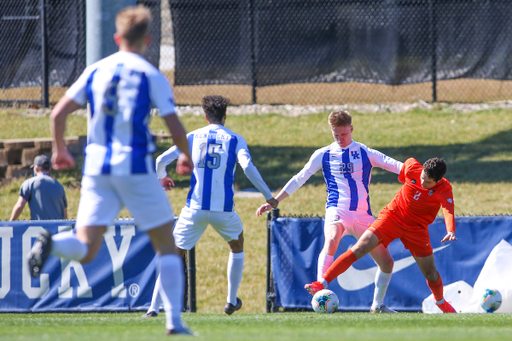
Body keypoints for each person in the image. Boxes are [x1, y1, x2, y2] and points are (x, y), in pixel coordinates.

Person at [27, 6, 194, 335]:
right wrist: (185, 156)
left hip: (97, 168)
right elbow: (173, 122)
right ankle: (174, 322)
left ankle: (52, 242)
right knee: (168, 246)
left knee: (86, 249)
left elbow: (58, 114)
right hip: (134, 166)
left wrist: (60, 149)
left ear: (117, 38)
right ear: (147, 39)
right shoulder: (149, 74)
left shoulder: (96, 70)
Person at [141, 95, 278, 317]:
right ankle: (231, 301)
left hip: (194, 209)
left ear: (205, 117)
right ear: (225, 116)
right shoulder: (235, 139)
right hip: (223, 211)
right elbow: (248, 167)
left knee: (173, 255)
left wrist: (162, 177)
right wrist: (267, 196)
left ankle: (153, 308)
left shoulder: (192, 137)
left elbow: (160, 161)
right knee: (237, 244)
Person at [256, 110, 403, 313]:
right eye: (336, 135)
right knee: (332, 239)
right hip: (337, 210)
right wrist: (275, 201)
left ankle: (377, 306)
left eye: (344, 134)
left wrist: (425, 175)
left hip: (362, 215)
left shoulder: (365, 152)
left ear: (351, 129)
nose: (340, 138)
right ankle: (319, 293)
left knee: (387, 262)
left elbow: (395, 166)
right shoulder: (323, 154)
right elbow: (300, 177)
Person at [304, 157, 458, 313]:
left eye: (428, 182)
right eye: (422, 178)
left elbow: (448, 210)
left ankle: (440, 302)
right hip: (391, 218)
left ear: (438, 181)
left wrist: (450, 230)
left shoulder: (444, 188)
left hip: (417, 229)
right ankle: (322, 283)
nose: (422, 183)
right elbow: (399, 173)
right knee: (360, 247)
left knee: (431, 274)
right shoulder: (411, 167)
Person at [10, 155, 68, 221]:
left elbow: (20, 205)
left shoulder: (29, 183)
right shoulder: (59, 186)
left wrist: (11, 222)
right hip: (57, 228)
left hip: (39, 227)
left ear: (36, 168)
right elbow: (64, 213)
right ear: (49, 169)